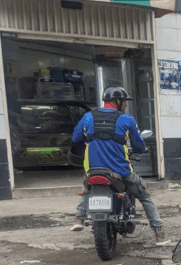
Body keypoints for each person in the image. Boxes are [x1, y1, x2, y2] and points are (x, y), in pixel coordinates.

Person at [70, 86, 169, 246]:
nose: (125, 105)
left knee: (86, 188)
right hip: (121, 171)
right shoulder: (127, 119)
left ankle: (79, 219)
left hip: (93, 170)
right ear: (118, 101)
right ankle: (159, 233)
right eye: (124, 102)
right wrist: (140, 149)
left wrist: (88, 144)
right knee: (145, 196)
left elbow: (75, 139)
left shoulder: (88, 117)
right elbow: (138, 144)